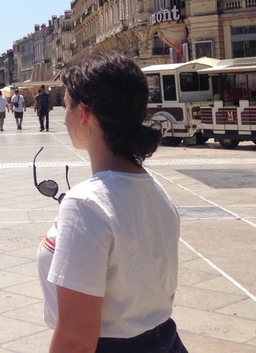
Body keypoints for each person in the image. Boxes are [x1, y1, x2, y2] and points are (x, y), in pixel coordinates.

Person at [38, 51, 186, 352]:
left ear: (83, 114)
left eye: (66, 105)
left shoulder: (86, 205)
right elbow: (160, 295)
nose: (63, 116)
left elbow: (76, 339)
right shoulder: (156, 191)